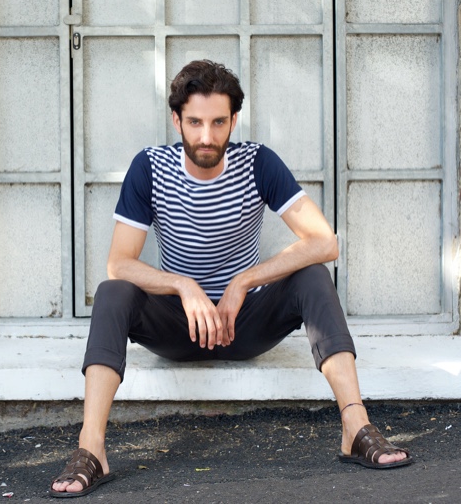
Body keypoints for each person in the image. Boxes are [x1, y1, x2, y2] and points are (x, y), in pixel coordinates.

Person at [49, 60, 412, 498]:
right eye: (195, 122)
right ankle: (92, 449)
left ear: (233, 120)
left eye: (219, 122)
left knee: (313, 276)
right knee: (112, 292)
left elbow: (324, 242)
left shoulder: (258, 162)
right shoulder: (150, 167)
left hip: (246, 323)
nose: (207, 136)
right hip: (179, 327)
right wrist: (184, 285)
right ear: (176, 119)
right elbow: (119, 263)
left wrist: (243, 282)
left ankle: (356, 426)